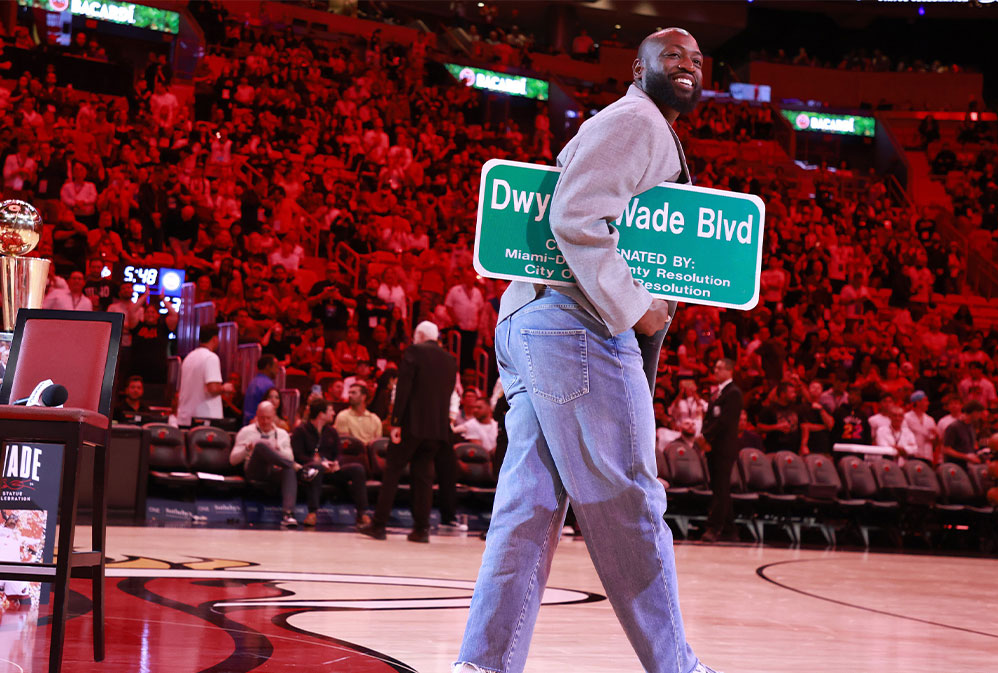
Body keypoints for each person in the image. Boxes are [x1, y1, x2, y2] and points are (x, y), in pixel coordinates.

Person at [455, 28, 716, 673]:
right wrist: (640, 306)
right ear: (638, 67)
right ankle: (677, 668)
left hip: (534, 318)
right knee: (630, 502)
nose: (687, 65)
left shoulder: (635, 122)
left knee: (529, 505)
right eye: (672, 56)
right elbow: (576, 215)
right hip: (577, 325)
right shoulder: (638, 120)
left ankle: (481, 665)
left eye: (697, 59)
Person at [358, 320, 457, 543]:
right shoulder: (450, 360)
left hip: (412, 425)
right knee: (424, 478)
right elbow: (448, 395)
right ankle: (421, 530)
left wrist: (396, 423)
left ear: (420, 335)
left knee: (392, 471)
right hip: (437, 429)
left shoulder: (415, 351)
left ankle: (378, 525)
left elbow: (404, 389)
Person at [292, 398, 370, 528]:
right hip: (309, 470)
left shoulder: (331, 432)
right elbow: (297, 455)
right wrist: (317, 463)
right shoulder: (301, 431)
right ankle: (312, 513)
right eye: (330, 410)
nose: (333, 413)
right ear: (321, 414)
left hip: (330, 470)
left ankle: (362, 513)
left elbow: (338, 453)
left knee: (358, 469)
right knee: (316, 468)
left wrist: (336, 463)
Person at [230, 400, 307, 528]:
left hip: (274, 470)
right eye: (261, 418)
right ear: (256, 415)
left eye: (268, 418)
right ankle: (298, 468)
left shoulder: (282, 434)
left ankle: (288, 515)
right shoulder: (246, 431)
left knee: (288, 469)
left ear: (274, 416)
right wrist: (247, 449)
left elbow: (290, 457)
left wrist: (278, 450)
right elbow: (232, 460)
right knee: (261, 445)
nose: (265, 422)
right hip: (254, 470)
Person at [698, 358, 742, 543]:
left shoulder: (734, 393)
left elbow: (725, 421)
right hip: (714, 446)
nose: (715, 371)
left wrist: (705, 436)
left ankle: (714, 528)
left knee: (721, 488)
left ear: (729, 371)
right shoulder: (718, 393)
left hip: (724, 447)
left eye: (719, 368)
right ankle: (730, 530)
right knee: (719, 487)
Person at [176, 325, 222, 426]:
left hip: (185, 418)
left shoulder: (189, 357)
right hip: (204, 419)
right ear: (215, 339)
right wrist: (226, 388)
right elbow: (213, 388)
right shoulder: (211, 358)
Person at [904, 390, 939, 463]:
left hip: (927, 456)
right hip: (913, 455)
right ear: (917, 402)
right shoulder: (906, 417)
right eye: (925, 401)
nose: (928, 403)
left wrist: (936, 436)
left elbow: (934, 442)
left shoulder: (930, 420)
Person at [242, 355, 277, 424]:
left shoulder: (253, 382)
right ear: (268, 366)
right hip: (258, 425)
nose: (277, 371)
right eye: (276, 367)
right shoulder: (268, 385)